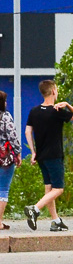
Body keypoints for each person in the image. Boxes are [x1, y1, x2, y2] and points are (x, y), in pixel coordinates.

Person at [24, 79, 73, 232]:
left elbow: (28, 131)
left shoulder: (34, 111)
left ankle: (55, 221)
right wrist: (67, 104)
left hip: (41, 156)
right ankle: (34, 209)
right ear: (54, 91)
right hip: (54, 155)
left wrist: (33, 152)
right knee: (58, 189)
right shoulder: (57, 111)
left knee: (49, 190)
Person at [0, 90, 21, 230]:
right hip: (4, 159)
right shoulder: (5, 117)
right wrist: (18, 153)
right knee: (3, 190)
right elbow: (12, 136)